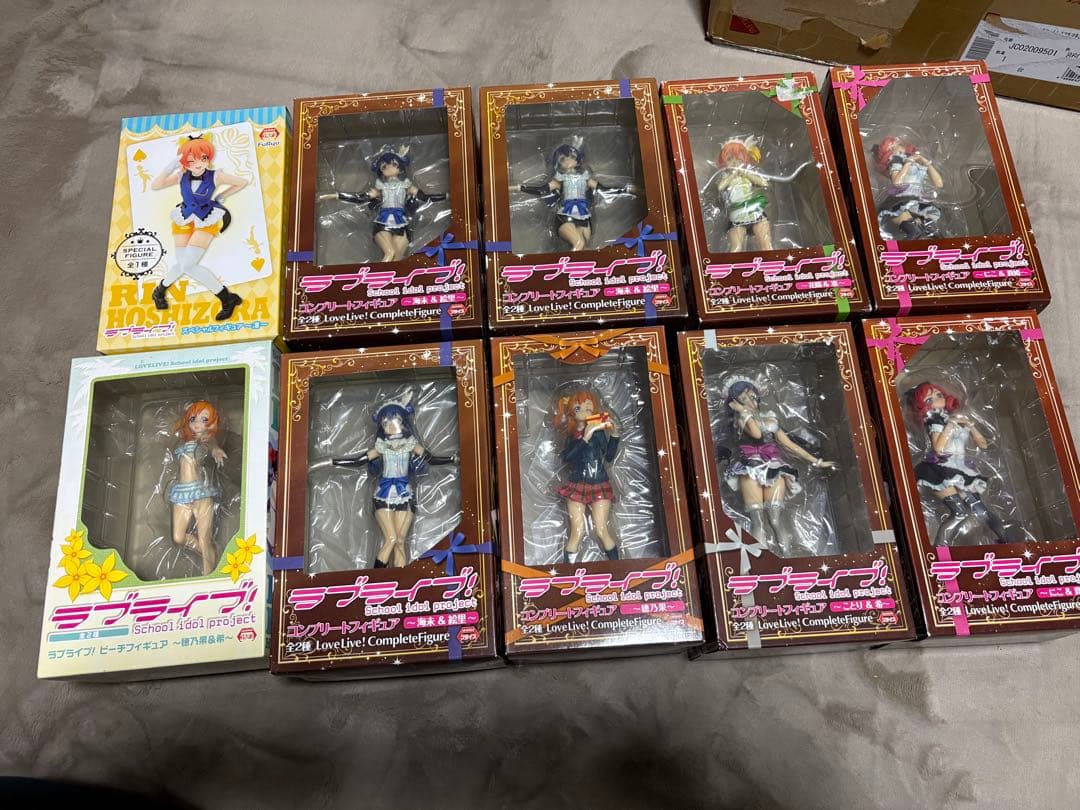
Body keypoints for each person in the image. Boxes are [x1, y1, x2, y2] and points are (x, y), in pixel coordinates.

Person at [150, 135, 247, 320]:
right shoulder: (181, 176)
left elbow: (241, 182)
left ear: (208, 158)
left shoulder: (216, 175)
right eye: (191, 160)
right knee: (183, 264)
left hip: (206, 218)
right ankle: (159, 292)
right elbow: (156, 185)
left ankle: (226, 298)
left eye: (203, 158)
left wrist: (222, 196)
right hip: (184, 218)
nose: (198, 164)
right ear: (184, 162)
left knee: (187, 264)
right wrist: (170, 167)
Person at [553, 390, 621, 563]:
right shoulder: (573, 436)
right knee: (577, 531)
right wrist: (585, 437)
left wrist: (615, 435)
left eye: (588, 407)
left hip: (599, 482)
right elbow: (567, 457)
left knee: (601, 529)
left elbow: (609, 456)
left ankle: (617, 567)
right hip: (577, 484)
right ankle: (569, 572)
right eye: (578, 408)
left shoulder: (598, 433)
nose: (584, 410)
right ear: (571, 413)